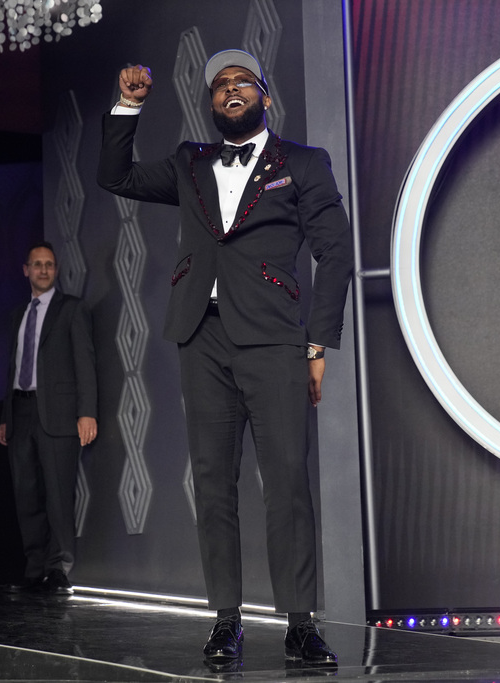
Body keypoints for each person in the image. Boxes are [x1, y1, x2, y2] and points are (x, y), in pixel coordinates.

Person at [97, 50, 353, 667]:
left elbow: (335, 252)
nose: (230, 90)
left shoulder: (304, 163)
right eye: (219, 86)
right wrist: (128, 105)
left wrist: (316, 343)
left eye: (242, 82)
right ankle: (226, 621)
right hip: (201, 336)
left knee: (287, 481)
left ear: (265, 95)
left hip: (273, 340)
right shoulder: (191, 162)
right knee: (213, 483)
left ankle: (300, 623)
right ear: (211, 104)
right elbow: (116, 176)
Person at [0, 242, 98, 595]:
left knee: (57, 494)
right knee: (27, 494)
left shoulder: (72, 309)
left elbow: (85, 363)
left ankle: (59, 568)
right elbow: (12, 368)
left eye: (49, 265)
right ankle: (34, 568)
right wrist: (5, 416)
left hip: (58, 415)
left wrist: (87, 412)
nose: (43, 270)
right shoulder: (17, 315)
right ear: (26, 269)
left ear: (56, 270)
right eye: (37, 264)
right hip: (21, 412)